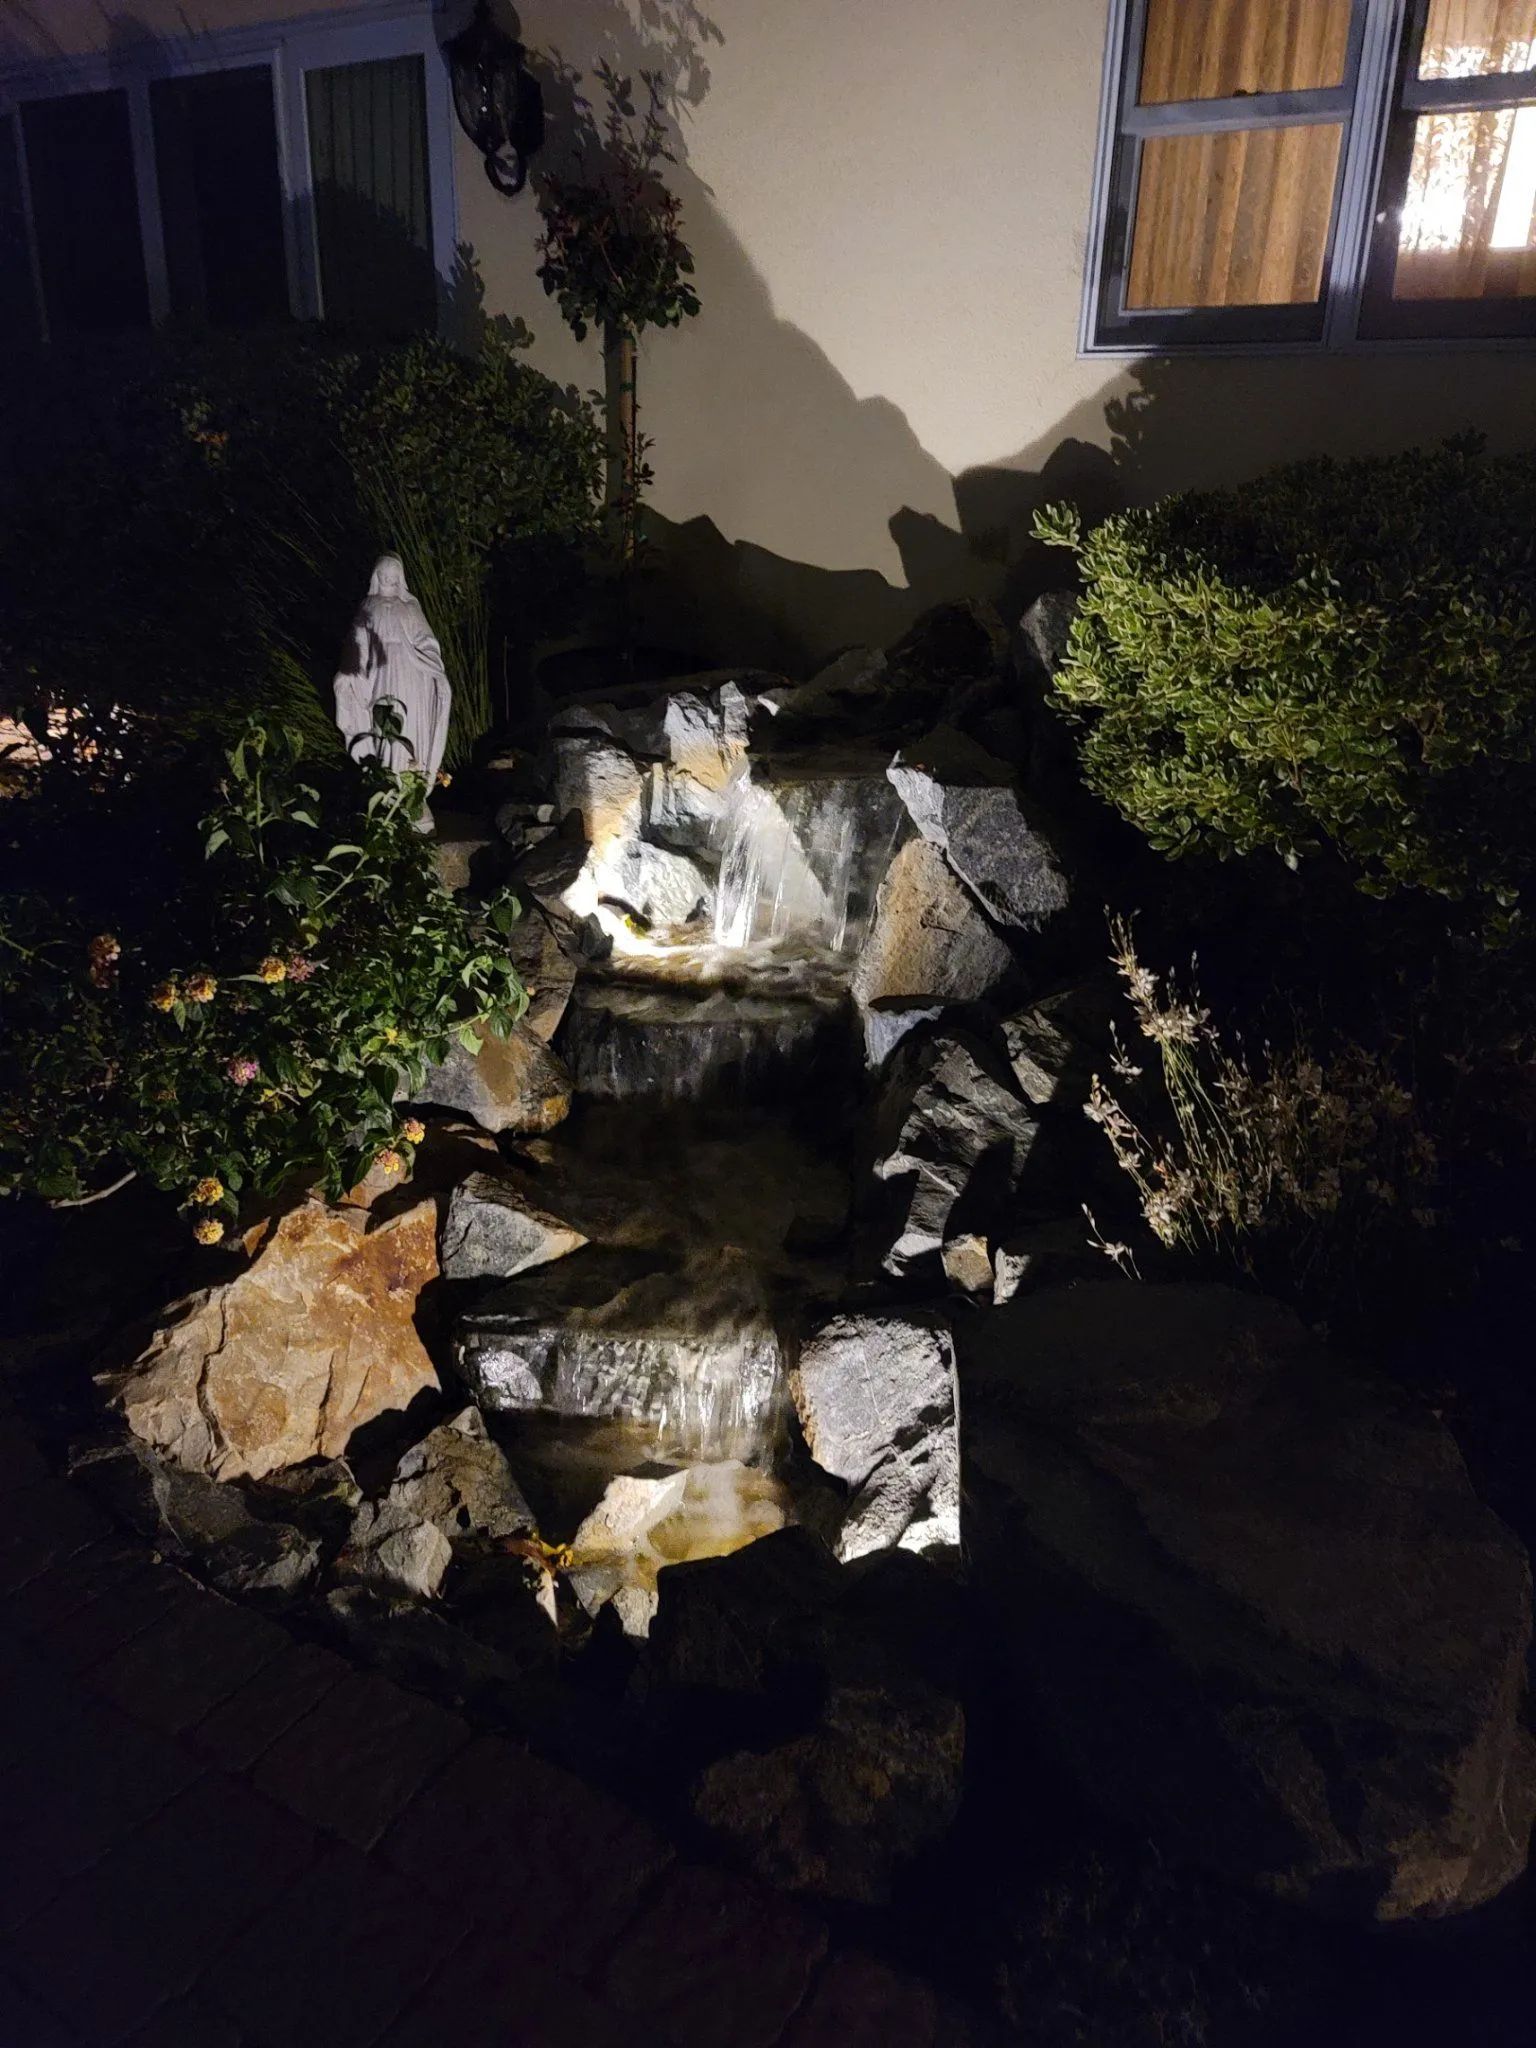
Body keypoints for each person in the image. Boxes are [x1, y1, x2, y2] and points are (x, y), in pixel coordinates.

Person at [334, 554, 452, 826]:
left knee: (410, 729)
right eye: (383, 575)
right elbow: (357, 643)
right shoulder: (369, 606)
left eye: (393, 575)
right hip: (380, 676)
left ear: (400, 578)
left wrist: (431, 666)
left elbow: (426, 641)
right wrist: (349, 672)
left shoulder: (410, 608)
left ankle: (413, 796)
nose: (388, 579)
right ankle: (387, 793)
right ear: (376, 577)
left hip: (411, 677)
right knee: (385, 730)